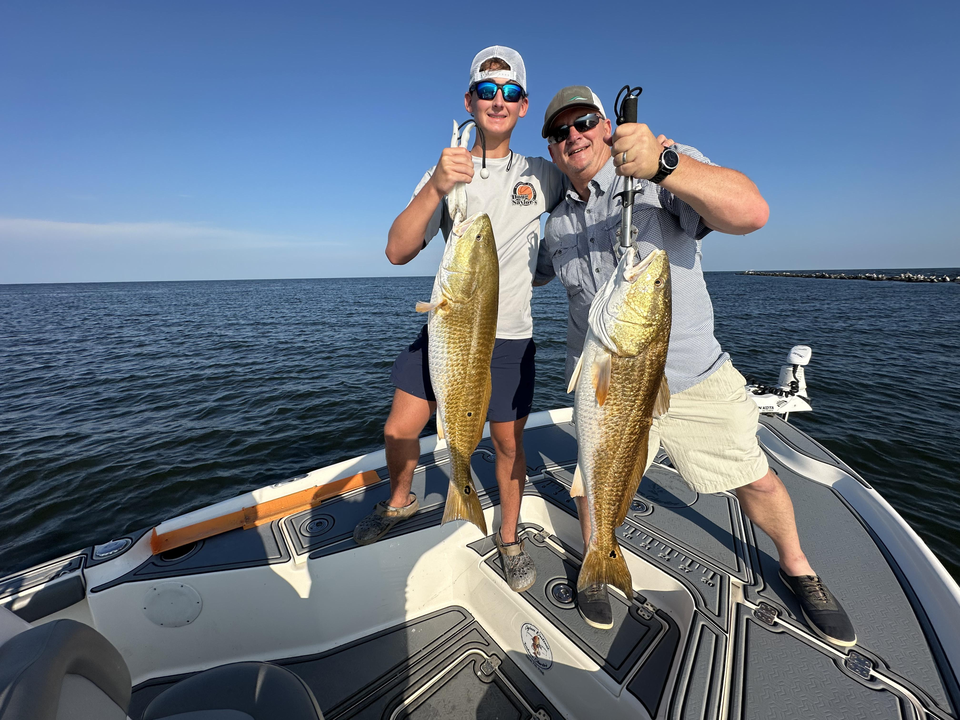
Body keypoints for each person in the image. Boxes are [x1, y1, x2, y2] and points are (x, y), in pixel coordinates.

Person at [535, 85, 856, 647]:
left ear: (606, 124)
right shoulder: (556, 221)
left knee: (755, 478)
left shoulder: (662, 167)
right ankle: (598, 558)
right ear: (554, 149)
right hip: (604, 388)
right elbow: (520, 273)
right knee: (593, 484)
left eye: (584, 122)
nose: (574, 136)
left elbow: (751, 211)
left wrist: (664, 165)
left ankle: (799, 567)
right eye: (559, 132)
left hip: (693, 378)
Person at [353, 47, 566, 593]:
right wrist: (437, 187)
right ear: (469, 101)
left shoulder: (543, 174)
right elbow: (397, 251)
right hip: (449, 331)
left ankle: (510, 535)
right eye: (487, 90)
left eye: (511, 92)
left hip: (509, 337)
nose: (499, 100)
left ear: (523, 107)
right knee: (399, 428)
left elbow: (591, 189)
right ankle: (399, 503)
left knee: (510, 444)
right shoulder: (442, 170)